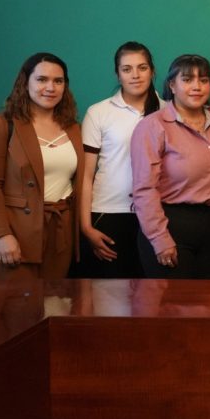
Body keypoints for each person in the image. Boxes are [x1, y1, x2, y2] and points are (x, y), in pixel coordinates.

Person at [131, 55, 210, 278]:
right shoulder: (153, 126)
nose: (197, 87)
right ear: (172, 85)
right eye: (188, 79)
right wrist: (160, 239)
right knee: (174, 300)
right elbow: (144, 189)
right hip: (171, 227)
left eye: (204, 80)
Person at [0, 53, 83, 281]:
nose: (50, 87)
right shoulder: (3, 124)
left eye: (58, 81)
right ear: (25, 82)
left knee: (55, 301)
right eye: (42, 79)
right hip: (16, 235)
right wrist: (2, 235)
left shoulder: (73, 128)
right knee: (18, 302)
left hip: (60, 235)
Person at [78, 42, 161, 279]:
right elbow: (86, 175)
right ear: (118, 74)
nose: (135, 75)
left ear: (152, 71)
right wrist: (86, 227)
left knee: (151, 293)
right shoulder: (99, 112)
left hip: (155, 215)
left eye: (142, 67)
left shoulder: (168, 111)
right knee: (110, 294)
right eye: (127, 69)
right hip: (108, 213)